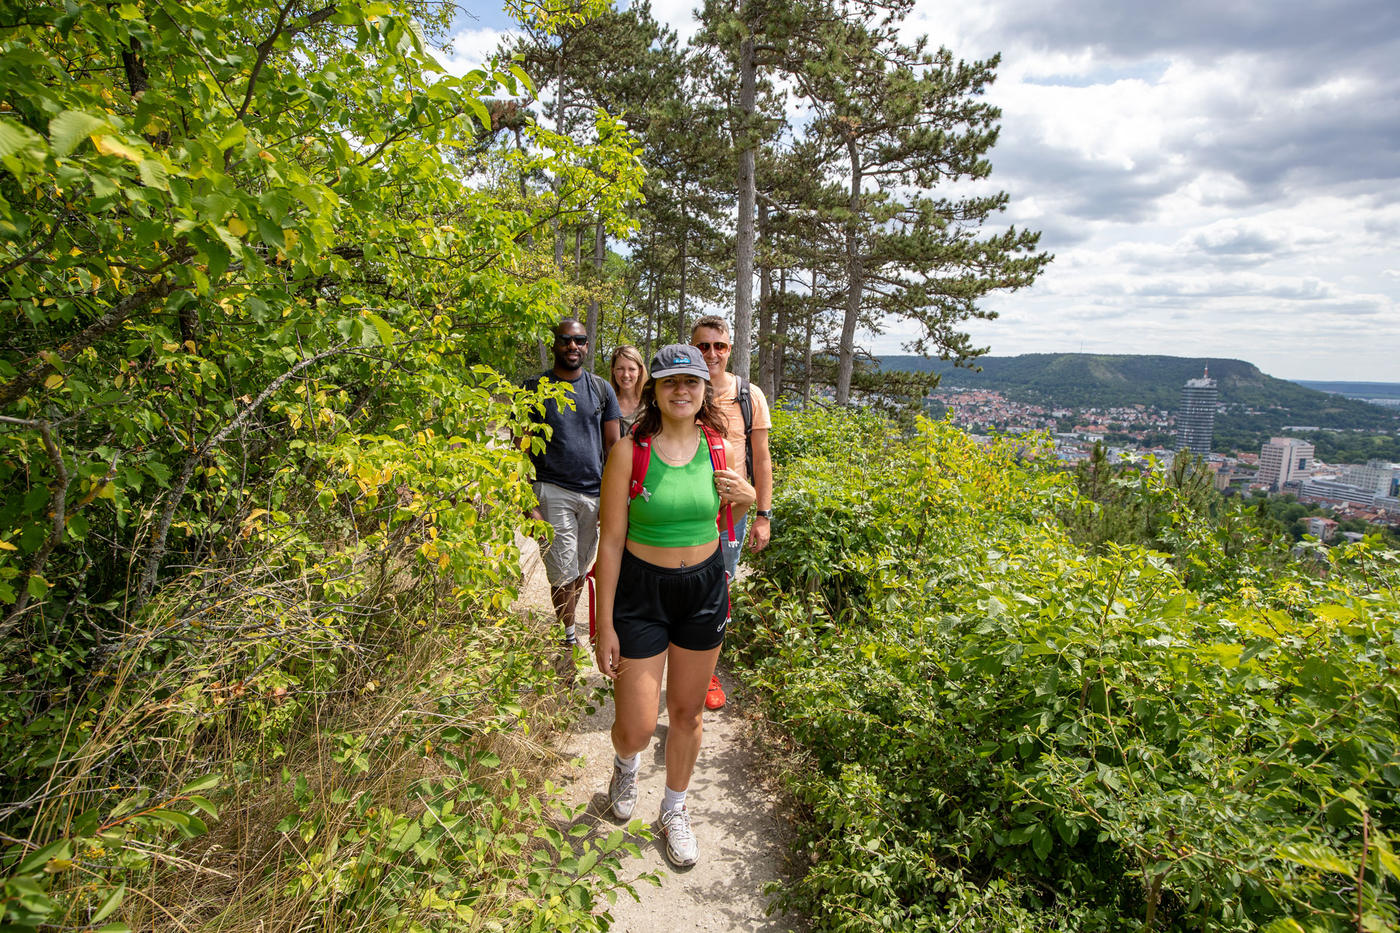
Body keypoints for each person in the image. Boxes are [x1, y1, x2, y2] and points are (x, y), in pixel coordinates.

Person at [591, 344, 756, 867]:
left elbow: (732, 508)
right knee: (637, 726)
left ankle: (674, 809)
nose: (681, 390)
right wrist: (604, 625)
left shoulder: (719, 447)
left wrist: (749, 498)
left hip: (704, 589)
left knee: (685, 713)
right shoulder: (628, 452)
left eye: (691, 381)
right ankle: (625, 764)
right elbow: (611, 542)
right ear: (653, 392)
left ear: (705, 388)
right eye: (670, 383)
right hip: (642, 592)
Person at [690, 315, 774, 710]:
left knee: (717, 592)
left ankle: (704, 673)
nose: (711, 354)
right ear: (693, 348)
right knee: (682, 588)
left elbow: (762, 457)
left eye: (718, 346)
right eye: (703, 346)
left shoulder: (748, 394)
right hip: (686, 513)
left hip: (731, 515)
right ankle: (681, 661)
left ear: (729, 348)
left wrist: (763, 514)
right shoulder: (684, 389)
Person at [522, 318, 621, 650]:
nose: (573, 346)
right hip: (553, 490)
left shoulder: (601, 389)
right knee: (561, 569)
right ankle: (567, 639)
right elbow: (519, 451)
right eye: (566, 340)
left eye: (580, 340)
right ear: (555, 345)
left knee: (578, 569)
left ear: (587, 345)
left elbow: (614, 448)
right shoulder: (534, 388)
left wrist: (615, 500)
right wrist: (527, 504)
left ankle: (564, 627)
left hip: (594, 495)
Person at [609, 345, 647, 436]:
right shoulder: (605, 404)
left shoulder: (650, 405)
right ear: (613, 370)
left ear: (640, 371)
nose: (626, 375)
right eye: (620, 369)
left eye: (632, 369)